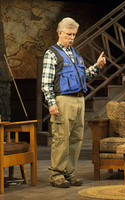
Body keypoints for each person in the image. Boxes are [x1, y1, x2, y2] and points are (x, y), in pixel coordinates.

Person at [41, 17, 106, 188]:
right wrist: (51, 103)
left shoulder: (75, 53)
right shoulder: (52, 53)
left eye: (74, 35)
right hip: (63, 100)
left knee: (76, 138)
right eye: (68, 34)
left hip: (79, 100)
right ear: (59, 33)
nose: (71, 38)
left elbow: (85, 76)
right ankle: (57, 175)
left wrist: (97, 66)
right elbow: (46, 83)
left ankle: (69, 173)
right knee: (61, 138)